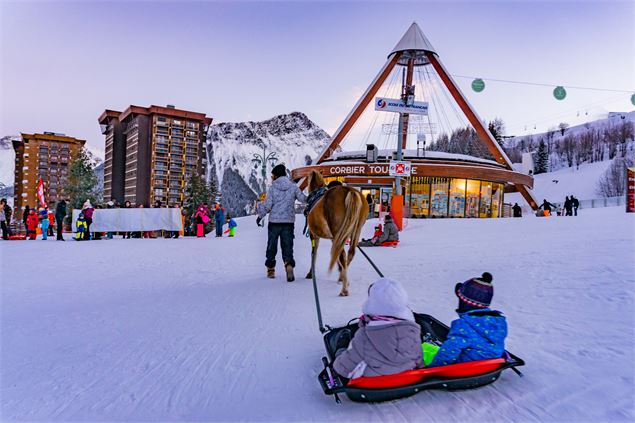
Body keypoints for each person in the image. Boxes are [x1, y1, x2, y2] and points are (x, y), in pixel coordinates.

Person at [333, 278, 424, 378]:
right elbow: (419, 362)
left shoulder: (365, 336)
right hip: (406, 379)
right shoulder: (413, 331)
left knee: (344, 349)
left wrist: (340, 352)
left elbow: (342, 369)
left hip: (374, 383)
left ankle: (341, 348)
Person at [428, 272, 507, 367]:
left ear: (465, 303)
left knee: (428, 350)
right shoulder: (499, 321)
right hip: (492, 363)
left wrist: (433, 367)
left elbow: (450, 349)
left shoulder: (464, 324)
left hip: (467, 366)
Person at [256, 163, 306, 282]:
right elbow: (303, 199)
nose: (272, 178)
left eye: (273, 175)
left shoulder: (273, 188)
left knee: (271, 246)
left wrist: (260, 216)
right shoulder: (293, 187)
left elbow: (267, 206)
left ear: (276, 175)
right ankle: (289, 265)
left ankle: (271, 269)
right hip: (288, 222)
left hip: (274, 222)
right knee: (287, 245)